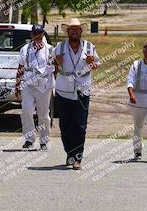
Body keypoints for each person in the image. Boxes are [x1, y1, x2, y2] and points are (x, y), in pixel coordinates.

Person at [53, 18, 100, 170]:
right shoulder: (59, 47)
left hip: (82, 91)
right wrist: (55, 63)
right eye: (71, 29)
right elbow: (48, 68)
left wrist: (92, 62)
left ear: (80, 32)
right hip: (63, 91)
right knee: (65, 125)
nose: (74, 31)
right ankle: (70, 154)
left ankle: (78, 157)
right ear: (68, 32)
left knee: (80, 126)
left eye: (77, 29)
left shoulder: (89, 47)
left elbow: (96, 66)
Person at [15, 24, 55, 150]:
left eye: (40, 34)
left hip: (44, 85)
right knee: (26, 111)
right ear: (32, 35)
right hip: (28, 84)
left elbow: (56, 68)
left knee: (43, 114)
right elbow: (21, 67)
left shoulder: (50, 49)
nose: (37, 36)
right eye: (35, 34)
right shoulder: (25, 49)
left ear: (43, 35)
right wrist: (17, 85)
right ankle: (29, 139)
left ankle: (44, 140)